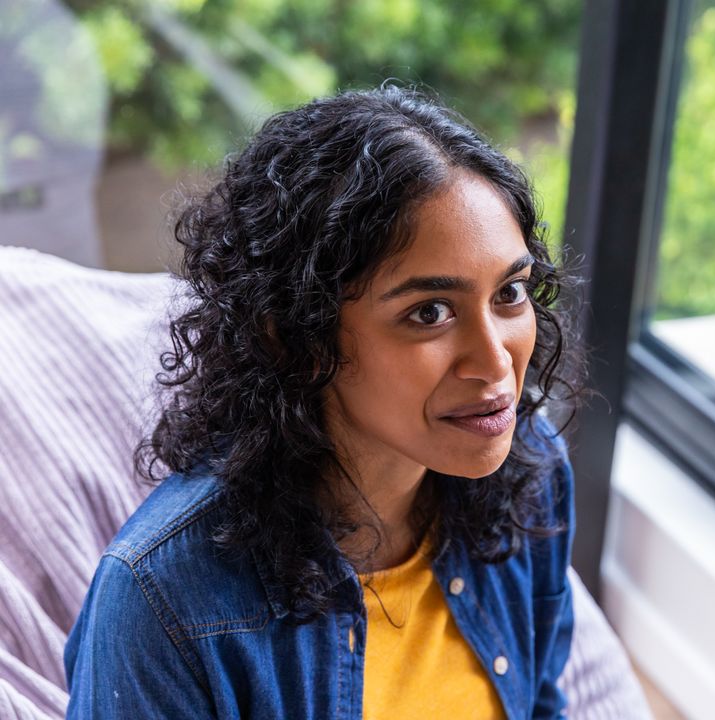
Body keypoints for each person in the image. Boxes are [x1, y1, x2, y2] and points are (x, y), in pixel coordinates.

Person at [63, 86, 583, 719]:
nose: (497, 361)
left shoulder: (531, 472)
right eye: (429, 312)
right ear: (295, 337)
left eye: (510, 293)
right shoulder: (160, 601)